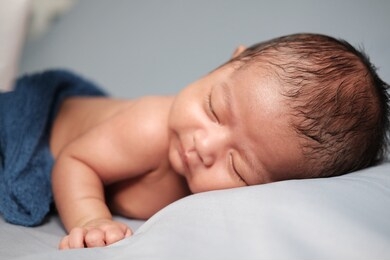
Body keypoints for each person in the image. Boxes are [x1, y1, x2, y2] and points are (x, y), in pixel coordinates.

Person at [1, 33, 389, 250]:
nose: (205, 146)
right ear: (229, 61)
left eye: (238, 167)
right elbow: (76, 161)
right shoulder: (150, 127)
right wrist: (90, 218)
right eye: (214, 109)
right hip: (39, 124)